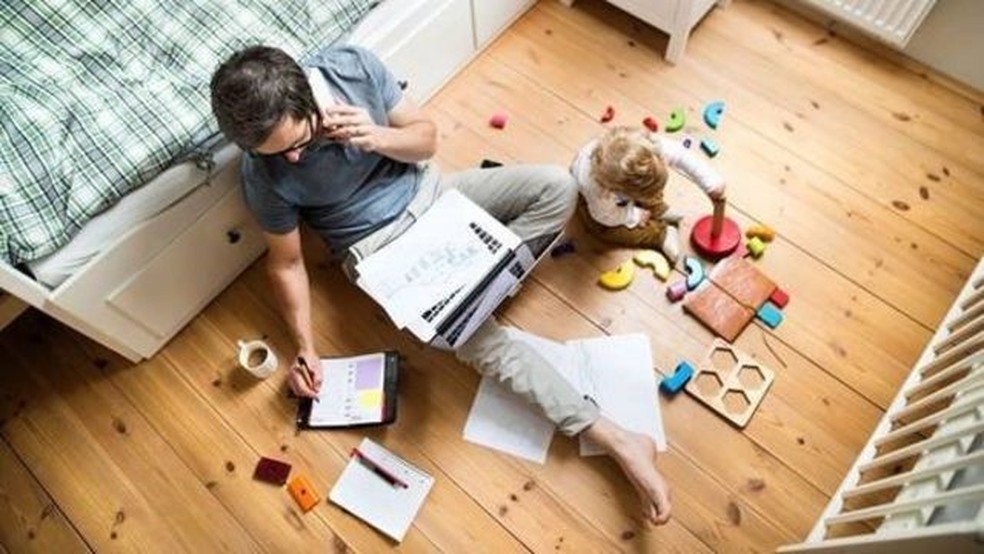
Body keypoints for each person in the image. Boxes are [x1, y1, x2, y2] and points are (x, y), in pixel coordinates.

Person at [210, 44, 671, 524]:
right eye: (279, 154)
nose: (295, 156)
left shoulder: (349, 67)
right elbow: (286, 264)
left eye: (298, 141)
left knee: (557, 187)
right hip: (380, 250)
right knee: (471, 338)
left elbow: (426, 140)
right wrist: (305, 346)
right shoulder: (263, 173)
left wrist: (378, 137)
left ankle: (476, 288)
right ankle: (614, 436)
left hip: (435, 194)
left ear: (307, 96)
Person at [571, 126, 725, 262]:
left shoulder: (649, 149)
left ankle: (658, 208)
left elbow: (682, 155)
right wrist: (634, 216)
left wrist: (710, 182)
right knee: (601, 229)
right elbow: (605, 217)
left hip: (627, 187)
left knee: (650, 185)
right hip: (599, 205)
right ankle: (659, 235)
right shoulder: (599, 192)